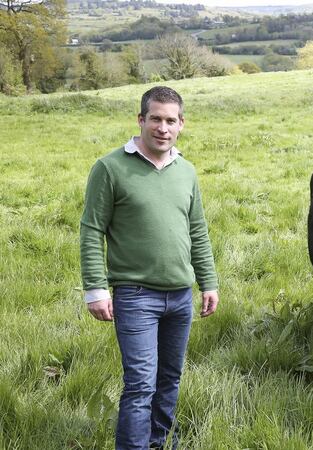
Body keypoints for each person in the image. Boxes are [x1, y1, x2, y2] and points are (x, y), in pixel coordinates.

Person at [80, 86, 219, 449]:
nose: (163, 127)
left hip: (179, 295)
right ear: (140, 120)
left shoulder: (186, 171)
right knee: (141, 383)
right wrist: (95, 289)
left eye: (170, 120)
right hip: (135, 295)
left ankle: (157, 443)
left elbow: (198, 231)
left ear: (182, 124)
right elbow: (92, 229)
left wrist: (209, 282)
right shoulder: (110, 168)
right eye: (155, 118)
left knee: (170, 378)